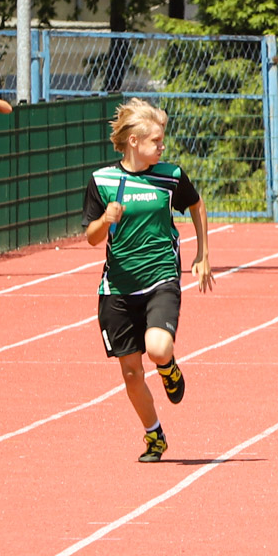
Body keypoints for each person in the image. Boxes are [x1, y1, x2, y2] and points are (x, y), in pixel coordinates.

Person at [81, 98, 212, 463]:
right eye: (156, 140)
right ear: (134, 142)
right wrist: (106, 219)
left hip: (160, 279)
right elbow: (92, 237)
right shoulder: (102, 181)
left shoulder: (170, 176)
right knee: (131, 372)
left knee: (157, 348)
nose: (162, 146)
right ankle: (154, 435)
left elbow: (197, 205)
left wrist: (203, 255)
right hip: (117, 289)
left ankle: (168, 367)